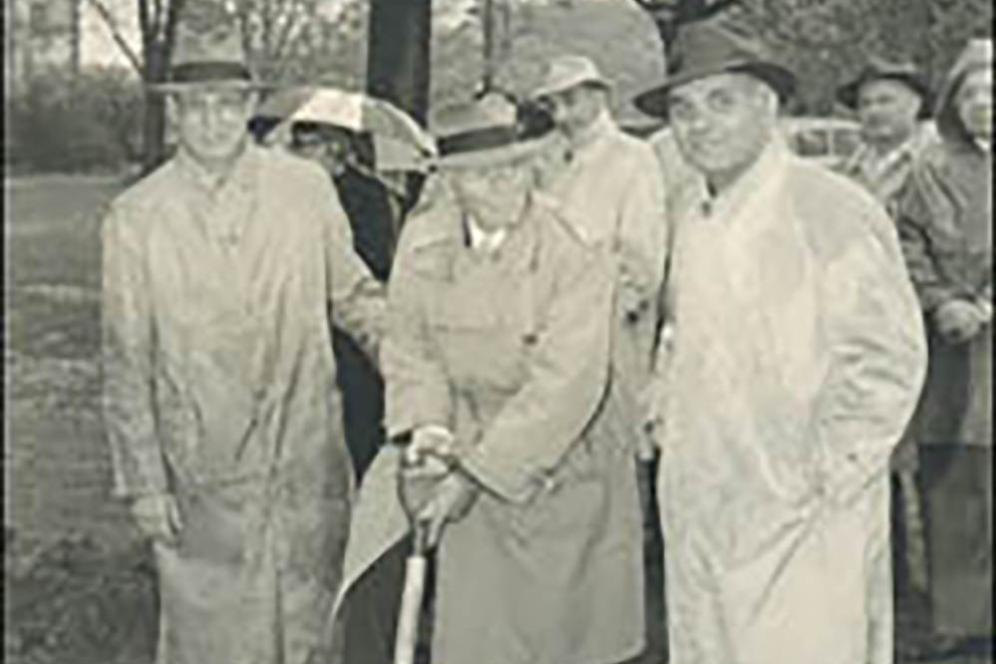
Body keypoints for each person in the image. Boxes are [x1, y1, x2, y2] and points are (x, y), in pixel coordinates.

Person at [634, 21, 927, 664]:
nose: (699, 124)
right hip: (709, 501)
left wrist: (821, 471)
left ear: (768, 105)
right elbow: (683, 333)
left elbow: (886, 359)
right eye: (683, 109)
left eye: (721, 102)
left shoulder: (828, 208)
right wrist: (659, 405)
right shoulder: (694, 216)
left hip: (804, 517)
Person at [101, 22, 384, 664]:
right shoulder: (137, 219)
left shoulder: (306, 191)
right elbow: (125, 361)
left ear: (249, 106)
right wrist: (145, 481)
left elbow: (357, 298)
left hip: (307, 462)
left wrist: (413, 370)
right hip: (201, 474)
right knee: (215, 642)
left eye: (226, 102)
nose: (211, 120)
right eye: (194, 105)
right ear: (174, 111)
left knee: (313, 634)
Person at [377, 92, 645, 664]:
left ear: (533, 165)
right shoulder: (423, 245)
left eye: (511, 168)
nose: (500, 186)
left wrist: (472, 478)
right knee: (481, 640)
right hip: (466, 454)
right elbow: (411, 348)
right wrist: (427, 431)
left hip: (566, 468)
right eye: (478, 176)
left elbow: (565, 385)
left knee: (560, 640)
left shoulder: (575, 248)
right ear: (450, 182)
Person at [896, 37, 992, 658]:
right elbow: (906, 240)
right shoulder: (929, 167)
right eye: (972, 93)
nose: (984, 103)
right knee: (954, 480)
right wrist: (939, 300)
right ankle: (962, 617)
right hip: (953, 351)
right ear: (955, 102)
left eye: (995, 93)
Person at [530, 55, 668, 464]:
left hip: (608, 332)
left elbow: (642, 258)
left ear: (598, 96)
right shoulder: (546, 158)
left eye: (570, 96)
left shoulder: (633, 158)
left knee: (613, 452)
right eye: (552, 101)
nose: (561, 109)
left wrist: (607, 310)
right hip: (545, 330)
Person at [837, 56, 936, 213]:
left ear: (915, 106)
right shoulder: (853, 167)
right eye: (865, 104)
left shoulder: (938, 163)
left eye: (885, 101)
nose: (873, 111)